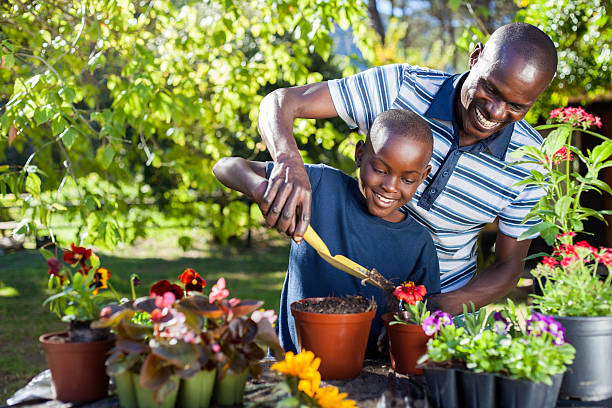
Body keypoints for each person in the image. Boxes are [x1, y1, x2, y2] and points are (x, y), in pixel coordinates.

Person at [256, 22, 558, 315]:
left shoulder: (531, 161)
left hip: (439, 310)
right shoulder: (400, 88)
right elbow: (281, 102)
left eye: (517, 106)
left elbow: (508, 265)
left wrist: (436, 311)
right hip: (349, 290)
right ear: (476, 57)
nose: (495, 111)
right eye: (490, 89)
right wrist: (288, 163)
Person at [214, 109, 441, 353]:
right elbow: (225, 167)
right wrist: (261, 191)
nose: (390, 186)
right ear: (360, 154)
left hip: (369, 373)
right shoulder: (318, 185)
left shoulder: (419, 244)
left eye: (407, 180)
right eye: (380, 170)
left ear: (423, 176)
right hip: (292, 364)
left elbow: (425, 318)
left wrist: (401, 329)